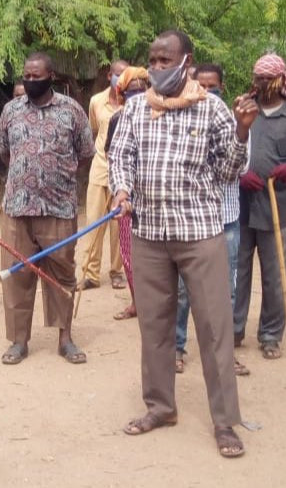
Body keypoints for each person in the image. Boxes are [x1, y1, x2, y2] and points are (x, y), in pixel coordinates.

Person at [109, 30, 256, 458]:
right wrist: (122, 191)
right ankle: (160, 407)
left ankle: (226, 422)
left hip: (199, 234)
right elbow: (122, 156)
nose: (156, 68)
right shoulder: (136, 108)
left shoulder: (212, 109)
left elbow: (229, 171)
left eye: (164, 60)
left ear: (185, 61)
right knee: (154, 327)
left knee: (213, 329)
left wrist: (243, 133)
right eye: (152, 61)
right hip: (149, 235)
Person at [0, 51, 95, 365]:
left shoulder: (72, 110)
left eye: (37, 76)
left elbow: (86, 153)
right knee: (18, 275)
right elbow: (5, 152)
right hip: (18, 208)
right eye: (27, 75)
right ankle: (19, 341)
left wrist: (60, 175)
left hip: (59, 207)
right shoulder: (10, 110)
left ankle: (65, 338)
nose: (31, 81)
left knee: (62, 274)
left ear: (51, 76)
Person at [174, 63, 250, 376]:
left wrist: (239, 132)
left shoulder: (239, 121)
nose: (206, 91)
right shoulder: (182, 120)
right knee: (182, 291)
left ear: (222, 85)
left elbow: (242, 169)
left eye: (212, 85)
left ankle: (225, 352)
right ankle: (177, 348)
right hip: (191, 222)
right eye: (200, 84)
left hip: (226, 220)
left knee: (225, 291)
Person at [234, 53, 286, 360]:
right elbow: (227, 148)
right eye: (258, 77)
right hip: (242, 205)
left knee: (274, 275)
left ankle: (270, 334)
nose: (261, 83)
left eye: (267, 78)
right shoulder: (242, 109)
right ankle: (235, 330)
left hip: (278, 209)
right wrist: (241, 175)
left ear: (280, 81)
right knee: (238, 272)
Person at [104, 66, 150, 321]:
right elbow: (115, 157)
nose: (137, 95)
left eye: (141, 90)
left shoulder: (158, 115)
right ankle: (136, 303)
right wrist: (121, 191)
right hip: (127, 199)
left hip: (152, 199)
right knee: (129, 257)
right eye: (131, 91)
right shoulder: (117, 119)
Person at [80, 60, 128, 291]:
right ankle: (90, 273)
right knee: (93, 223)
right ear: (110, 75)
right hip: (100, 169)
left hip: (124, 175)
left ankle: (117, 272)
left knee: (119, 226)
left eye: (125, 74)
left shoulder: (132, 103)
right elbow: (95, 129)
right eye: (118, 74)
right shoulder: (96, 101)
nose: (121, 78)